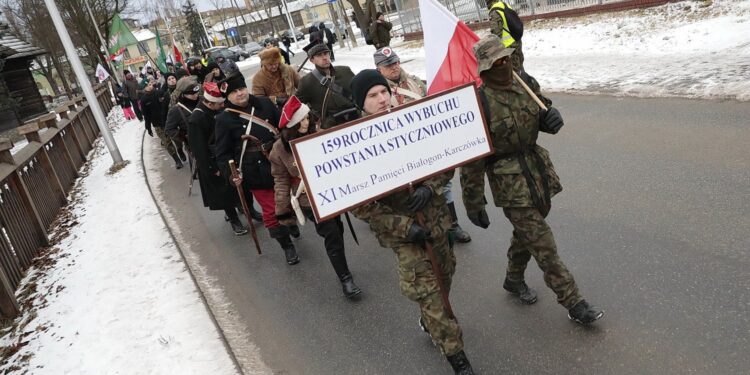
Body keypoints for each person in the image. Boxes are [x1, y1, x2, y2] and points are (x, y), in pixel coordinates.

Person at [463, 35, 604, 324]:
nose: (504, 65)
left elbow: (543, 111)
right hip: (509, 182)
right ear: (484, 70)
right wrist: (474, 202)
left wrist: (551, 119)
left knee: (527, 233)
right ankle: (574, 302)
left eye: (506, 59)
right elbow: (472, 160)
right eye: (496, 63)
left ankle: (513, 279)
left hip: (538, 172)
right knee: (543, 242)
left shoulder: (525, 83)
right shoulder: (480, 103)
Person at [349, 69, 474, 375]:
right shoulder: (353, 145)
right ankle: (459, 359)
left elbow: (447, 160)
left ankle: (429, 318)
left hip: (436, 223)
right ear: (361, 104)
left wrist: (429, 186)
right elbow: (361, 206)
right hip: (406, 237)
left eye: (383, 92)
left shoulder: (415, 122)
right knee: (430, 293)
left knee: (445, 276)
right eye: (372, 96)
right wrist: (405, 227)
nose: (381, 99)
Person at [373, 47, 472, 244]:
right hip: (399, 150)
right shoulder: (378, 92)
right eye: (388, 65)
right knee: (410, 193)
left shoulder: (415, 82)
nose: (393, 67)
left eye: (395, 62)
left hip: (425, 144)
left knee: (442, 185)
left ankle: (453, 224)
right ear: (379, 69)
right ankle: (417, 227)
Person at [269, 95, 362, 299]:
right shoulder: (278, 150)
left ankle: (342, 265)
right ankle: (345, 278)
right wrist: (282, 209)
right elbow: (281, 181)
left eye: (307, 118)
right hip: (309, 200)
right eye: (300, 120)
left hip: (333, 193)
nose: (306, 123)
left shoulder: (319, 135)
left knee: (338, 229)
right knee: (332, 235)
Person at [215, 73, 300, 265]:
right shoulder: (224, 119)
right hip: (255, 169)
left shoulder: (264, 103)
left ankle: (292, 222)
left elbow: (284, 126)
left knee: (291, 199)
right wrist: (231, 175)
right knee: (271, 210)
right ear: (227, 97)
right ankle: (286, 245)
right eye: (234, 92)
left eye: (241, 89)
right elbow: (223, 153)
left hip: (279, 161)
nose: (239, 94)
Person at [188, 82, 248, 236]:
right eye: (218, 104)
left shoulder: (221, 110)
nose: (222, 106)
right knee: (224, 193)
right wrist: (212, 168)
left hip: (228, 154)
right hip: (213, 160)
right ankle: (234, 219)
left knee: (239, 185)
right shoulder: (196, 118)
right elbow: (198, 148)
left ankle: (248, 209)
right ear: (208, 103)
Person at [295, 44, 358, 129]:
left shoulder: (345, 71)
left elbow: (360, 92)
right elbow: (297, 106)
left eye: (326, 53)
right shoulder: (306, 82)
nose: (324, 57)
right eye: (319, 55)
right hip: (331, 127)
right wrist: (314, 119)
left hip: (356, 118)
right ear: (312, 60)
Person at [165, 77, 198, 165]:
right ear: (183, 94)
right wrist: (183, 136)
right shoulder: (176, 110)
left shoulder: (202, 101)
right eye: (191, 93)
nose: (196, 95)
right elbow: (169, 129)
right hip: (194, 146)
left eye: (196, 92)